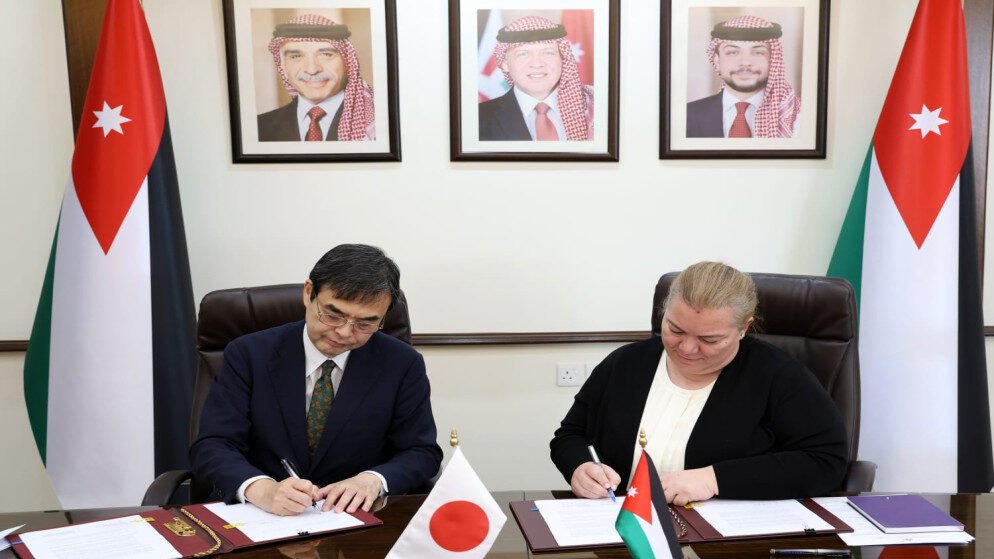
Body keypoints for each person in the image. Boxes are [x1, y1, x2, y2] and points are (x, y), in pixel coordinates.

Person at [550, 262, 847, 505]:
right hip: (625, 529)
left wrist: (713, 479)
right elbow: (571, 435)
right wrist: (580, 466)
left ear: (743, 328)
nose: (688, 348)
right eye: (675, 329)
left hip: (727, 542)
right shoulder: (625, 364)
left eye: (710, 339)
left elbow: (826, 462)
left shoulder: (779, 377)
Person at [191, 244, 442, 515]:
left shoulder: (402, 363)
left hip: (352, 518)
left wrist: (373, 480)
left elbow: (421, 451)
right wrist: (262, 489)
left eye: (365, 323)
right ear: (309, 293)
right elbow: (214, 444)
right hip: (259, 515)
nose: (344, 332)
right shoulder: (249, 354)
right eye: (333, 315)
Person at [257, 14, 375, 142]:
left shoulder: (376, 122)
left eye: (326, 54)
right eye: (296, 56)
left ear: (347, 62)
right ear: (283, 68)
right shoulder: (259, 127)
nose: (312, 70)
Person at [478, 15, 594, 141]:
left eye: (548, 52)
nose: (537, 63)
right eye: (523, 54)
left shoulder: (594, 108)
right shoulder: (479, 118)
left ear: (563, 58)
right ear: (505, 63)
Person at [686, 15, 800, 138]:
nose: (745, 62)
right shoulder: (687, 115)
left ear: (773, 61)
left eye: (758, 52)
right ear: (717, 62)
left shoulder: (798, 116)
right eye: (732, 52)